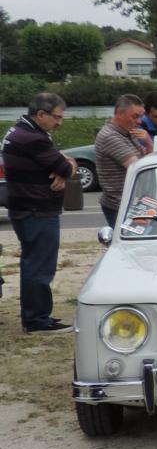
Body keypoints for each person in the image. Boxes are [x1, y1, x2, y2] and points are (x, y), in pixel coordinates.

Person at [1, 93, 76, 334]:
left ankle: (36, 316)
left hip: (26, 208)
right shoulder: (33, 138)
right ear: (40, 114)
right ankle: (37, 320)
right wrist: (67, 164)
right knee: (39, 267)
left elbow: (58, 166)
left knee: (34, 263)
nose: (59, 122)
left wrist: (62, 166)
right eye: (56, 117)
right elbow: (64, 166)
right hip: (37, 210)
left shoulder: (18, 132)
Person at [94, 93, 152, 226]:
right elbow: (139, 167)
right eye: (135, 116)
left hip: (132, 202)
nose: (139, 121)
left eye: (141, 116)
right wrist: (148, 143)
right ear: (120, 113)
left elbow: (146, 160)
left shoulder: (126, 133)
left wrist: (148, 145)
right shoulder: (110, 136)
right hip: (121, 205)